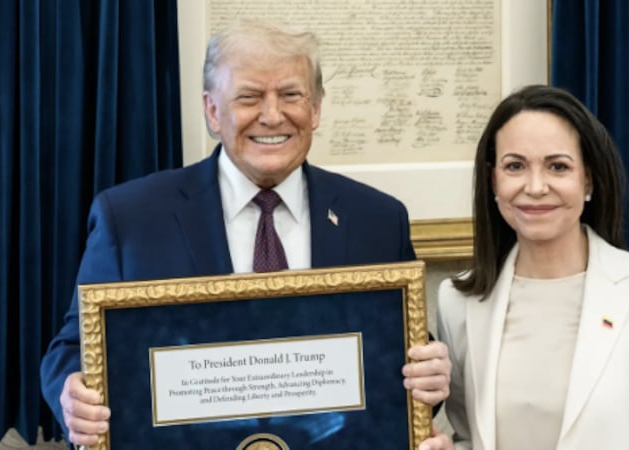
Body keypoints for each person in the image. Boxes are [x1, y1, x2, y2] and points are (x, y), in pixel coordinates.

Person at [40, 20, 450, 448]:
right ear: (213, 111)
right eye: (250, 97)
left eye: (291, 95)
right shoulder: (130, 219)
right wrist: (73, 394)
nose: (272, 115)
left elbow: (402, 357)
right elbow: (71, 349)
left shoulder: (378, 219)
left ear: (316, 109)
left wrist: (431, 374)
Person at [431, 85, 629, 450]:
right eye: (515, 166)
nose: (535, 187)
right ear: (493, 182)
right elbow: (471, 436)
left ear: (589, 180)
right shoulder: (457, 301)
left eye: (558, 167)